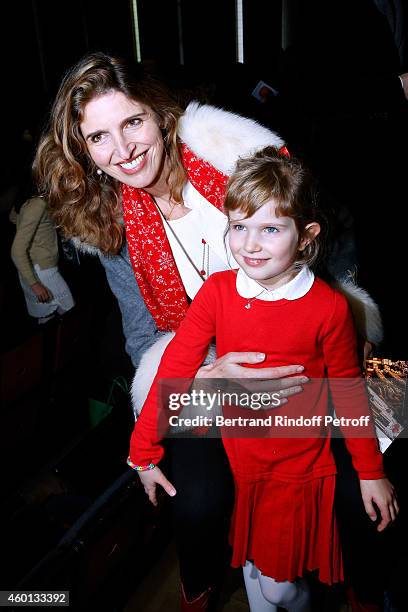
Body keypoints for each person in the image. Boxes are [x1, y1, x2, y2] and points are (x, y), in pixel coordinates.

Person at [33, 53, 383, 610]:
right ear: (86, 155)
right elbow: (144, 340)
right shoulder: (114, 226)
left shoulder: (236, 157)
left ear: (161, 114)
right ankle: (199, 592)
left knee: (357, 487)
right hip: (206, 371)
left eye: (132, 122)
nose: (122, 150)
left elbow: (333, 235)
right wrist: (207, 375)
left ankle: (368, 593)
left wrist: (352, 317)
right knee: (197, 501)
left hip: (306, 342)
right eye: (99, 137)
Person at [128, 147, 399, 612]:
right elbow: (174, 368)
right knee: (260, 577)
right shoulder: (216, 293)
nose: (249, 245)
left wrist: (371, 473)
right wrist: (142, 453)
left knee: (278, 587)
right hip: (243, 457)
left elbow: (349, 394)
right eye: (239, 227)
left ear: (306, 236)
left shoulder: (330, 308)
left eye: (270, 229)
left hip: (298, 465)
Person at [10, 195, 75, 323]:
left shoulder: (30, 203)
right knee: (70, 310)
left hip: (34, 268)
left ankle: (52, 342)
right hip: (41, 270)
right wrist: (34, 284)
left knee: (46, 315)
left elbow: (13, 218)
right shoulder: (37, 203)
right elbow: (16, 251)